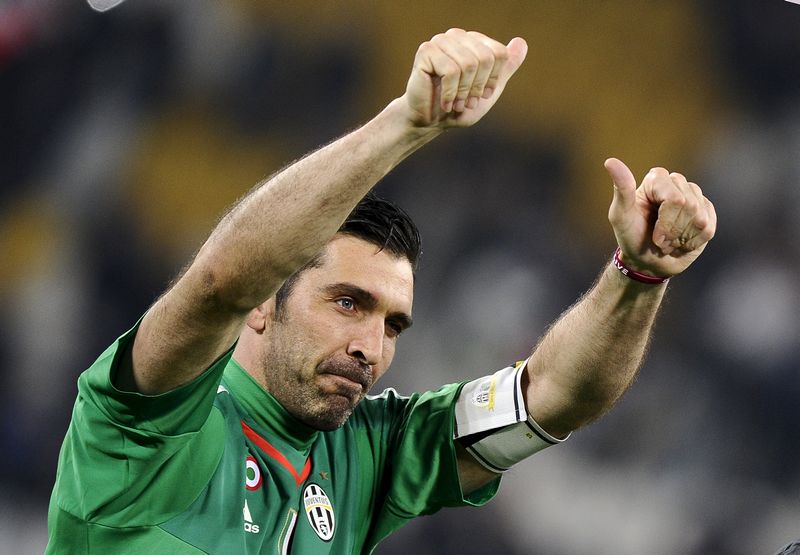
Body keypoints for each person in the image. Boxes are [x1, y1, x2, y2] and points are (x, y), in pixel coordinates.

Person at [46, 28, 716, 554]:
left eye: (394, 324)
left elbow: (553, 399)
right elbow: (220, 279)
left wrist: (641, 273)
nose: (370, 345)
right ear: (263, 302)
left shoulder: (370, 452)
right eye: (348, 302)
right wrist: (406, 126)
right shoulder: (144, 419)